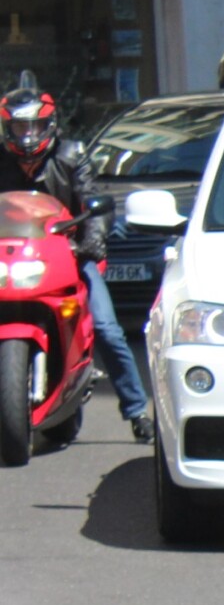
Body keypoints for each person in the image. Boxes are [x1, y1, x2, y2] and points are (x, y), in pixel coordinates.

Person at [0, 76, 149, 440]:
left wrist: (93, 240)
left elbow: (94, 204)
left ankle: (137, 411)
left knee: (106, 330)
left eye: (34, 125)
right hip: (11, 259)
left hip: (68, 253)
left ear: (50, 125)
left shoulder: (71, 155)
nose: (28, 134)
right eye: (20, 126)